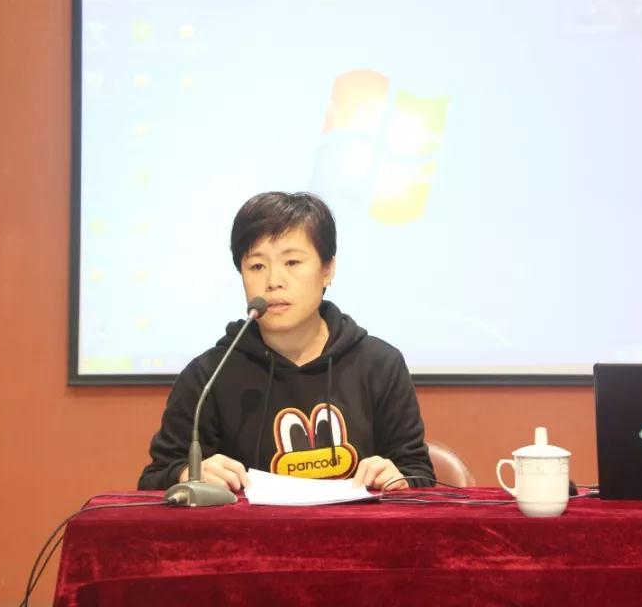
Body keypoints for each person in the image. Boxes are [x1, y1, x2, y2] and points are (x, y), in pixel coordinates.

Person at [138, 191, 434, 493]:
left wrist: (399, 478)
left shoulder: (379, 365)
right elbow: (153, 480)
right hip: (250, 526)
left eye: (292, 262)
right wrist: (187, 474)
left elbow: (420, 474)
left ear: (327, 270)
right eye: (257, 266)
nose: (273, 281)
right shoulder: (209, 375)